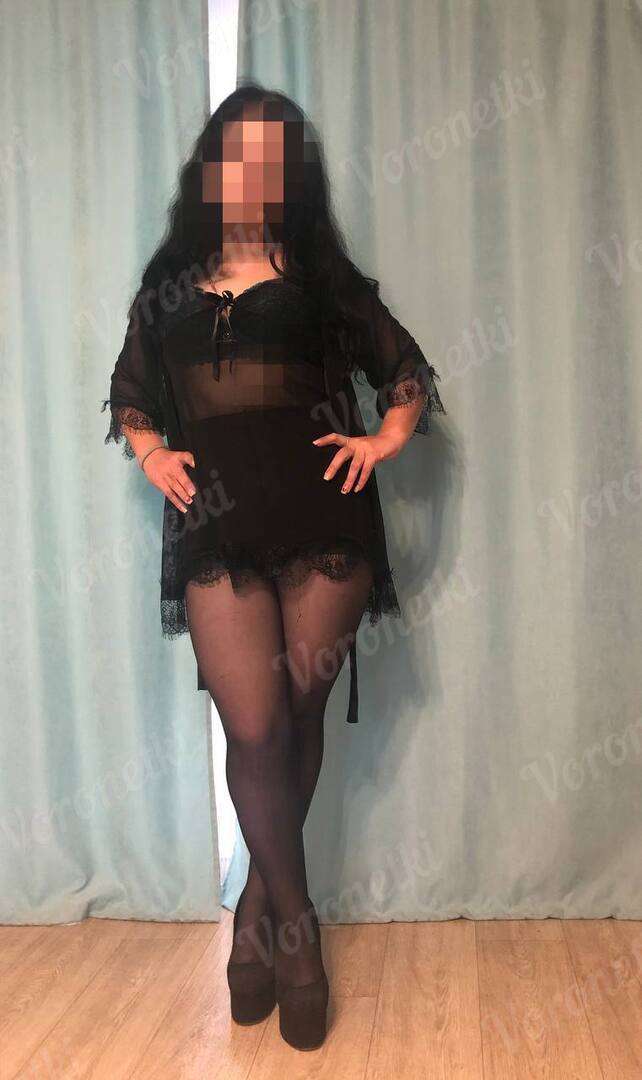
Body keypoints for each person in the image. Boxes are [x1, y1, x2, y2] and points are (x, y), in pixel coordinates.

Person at [102, 83, 445, 1051]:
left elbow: (407, 371)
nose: (251, 172)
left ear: (291, 174)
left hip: (322, 520)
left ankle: (263, 921)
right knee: (254, 727)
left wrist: (385, 439)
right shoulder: (169, 285)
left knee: (295, 715)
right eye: (236, 154)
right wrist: (152, 454)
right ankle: (293, 921)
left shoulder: (323, 277)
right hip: (217, 528)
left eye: (271, 156)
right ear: (210, 168)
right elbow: (132, 392)